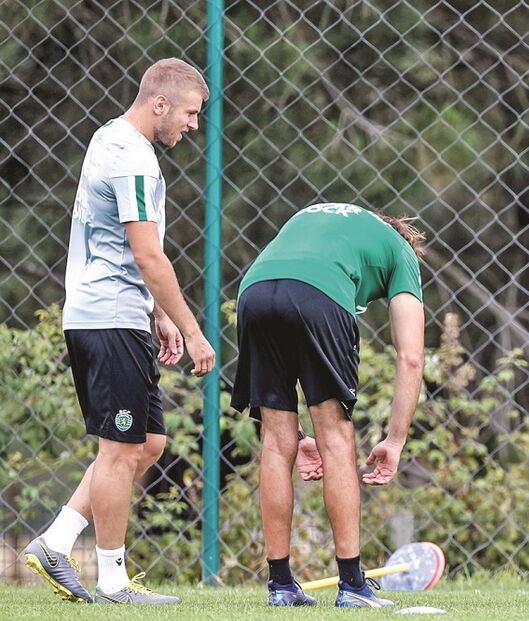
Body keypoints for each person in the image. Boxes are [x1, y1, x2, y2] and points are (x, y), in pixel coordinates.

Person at [22, 58, 216, 604]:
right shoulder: (133, 159)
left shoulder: (109, 136)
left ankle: (56, 542)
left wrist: (153, 312)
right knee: (118, 450)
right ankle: (112, 581)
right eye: (190, 113)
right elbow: (147, 254)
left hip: (114, 312)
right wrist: (191, 329)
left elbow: (119, 246)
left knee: (147, 443)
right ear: (159, 104)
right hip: (108, 316)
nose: (193, 125)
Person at [231, 202, 425, 608]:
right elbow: (410, 356)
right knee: (336, 437)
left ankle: (281, 586)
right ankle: (353, 586)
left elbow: (287, 290)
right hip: (317, 295)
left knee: (276, 441)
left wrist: (298, 435)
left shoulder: (313, 219)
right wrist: (395, 439)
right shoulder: (400, 250)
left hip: (252, 293)